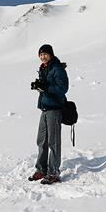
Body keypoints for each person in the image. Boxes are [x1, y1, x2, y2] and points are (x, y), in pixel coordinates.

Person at [28, 44, 69, 184]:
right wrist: (38, 86)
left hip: (55, 108)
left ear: (51, 54)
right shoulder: (44, 68)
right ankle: (41, 170)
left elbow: (63, 88)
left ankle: (54, 172)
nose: (42, 57)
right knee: (42, 141)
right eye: (40, 55)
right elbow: (47, 87)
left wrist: (46, 87)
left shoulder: (57, 68)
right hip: (45, 108)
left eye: (45, 54)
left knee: (54, 142)